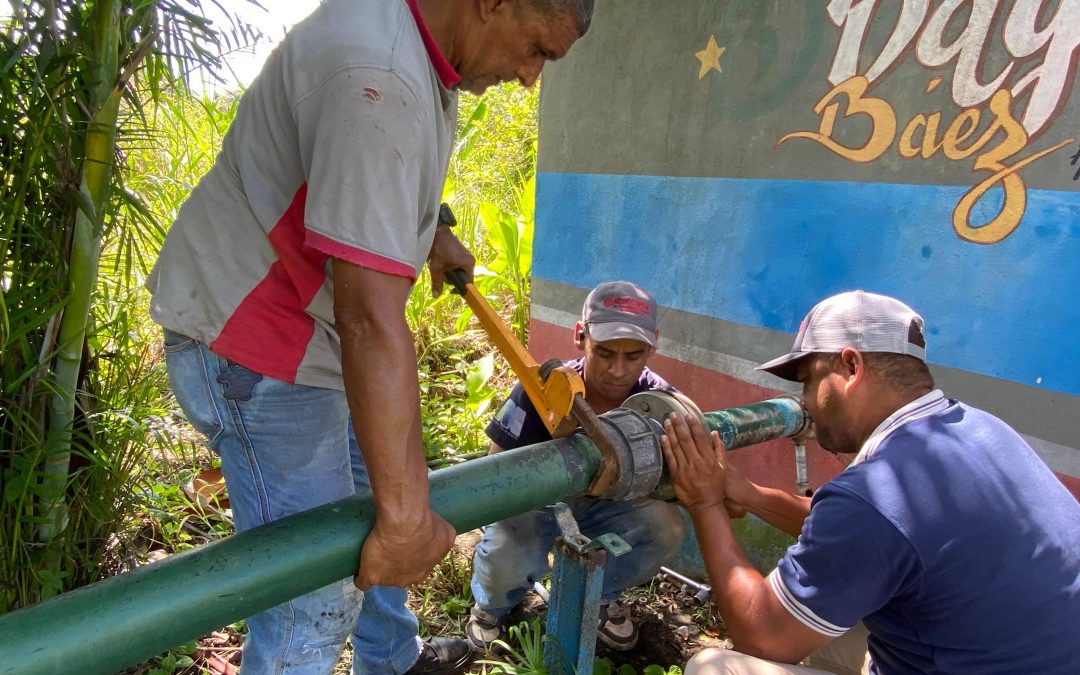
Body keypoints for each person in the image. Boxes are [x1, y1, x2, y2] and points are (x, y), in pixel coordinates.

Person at [147, 0, 594, 673]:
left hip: (313, 335)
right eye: (537, 49)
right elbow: (369, 317)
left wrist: (430, 228)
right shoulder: (378, 77)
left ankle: (391, 659)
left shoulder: (415, 43)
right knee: (312, 596)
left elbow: (361, 178)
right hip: (258, 342)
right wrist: (411, 519)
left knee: (378, 501)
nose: (530, 77)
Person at [661, 290, 1080, 675]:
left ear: (850, 367)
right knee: (819, 613)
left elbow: (762, 636)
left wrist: (706, 503)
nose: (804, 400)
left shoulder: (877, 493)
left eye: (807, 379)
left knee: (713, 667)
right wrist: (749, 494)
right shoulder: (978, 428)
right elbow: (868, 536)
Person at [466, 281, 686, 652]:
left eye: (633, 355)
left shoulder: (659, 404)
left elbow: (677, 485)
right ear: (580, 337)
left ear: (653, 345)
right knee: (511, 540)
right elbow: (496, 468)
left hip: (610, 506)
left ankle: (598, 596)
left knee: (664, 528)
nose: (618, 370)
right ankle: (493, 606)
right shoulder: (541, 393)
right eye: (604, 352)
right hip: (537, 502)